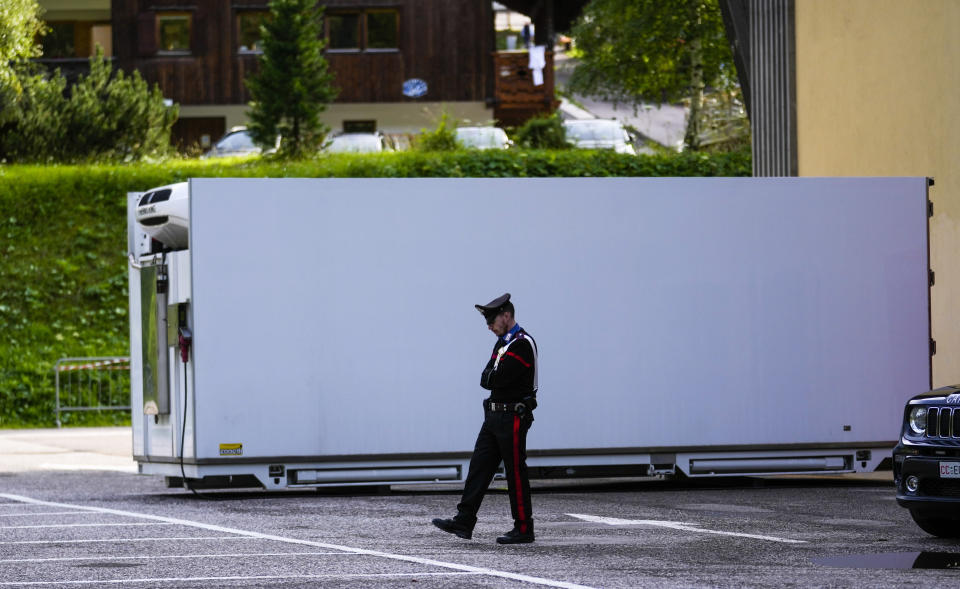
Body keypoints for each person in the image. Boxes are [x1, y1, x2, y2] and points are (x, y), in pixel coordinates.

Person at [432, 293, 538, 544]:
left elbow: (497, 378)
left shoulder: (521, 344)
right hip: (494, 415)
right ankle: (464, 520)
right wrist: (493, 375)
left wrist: (493, 375)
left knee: (515, 473)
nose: (489, 326)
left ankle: (524, 528)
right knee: (479, 468)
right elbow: (485, 378)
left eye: (492, 321)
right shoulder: (503, 344)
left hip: (512, 416)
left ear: (507, 315)